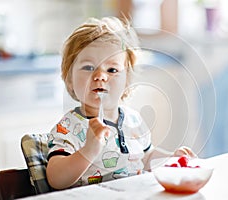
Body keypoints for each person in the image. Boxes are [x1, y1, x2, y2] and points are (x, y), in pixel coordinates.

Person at [46, 16, 197, 190]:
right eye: (88, 67)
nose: (101, 76)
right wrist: (88, 150)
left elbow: (146, 158)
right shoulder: (68, 127)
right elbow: (56, 179)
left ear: (127, 81)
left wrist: (172, 159)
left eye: (112, 70)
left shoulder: (134, 121)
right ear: (69, 79)